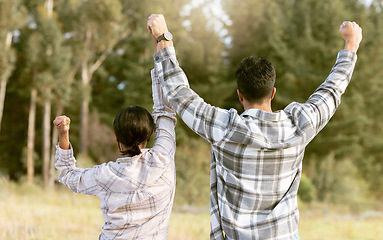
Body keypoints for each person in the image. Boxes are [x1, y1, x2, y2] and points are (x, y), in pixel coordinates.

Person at [147, 14, 362, 240]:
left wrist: (164, 38)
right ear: (272, 93)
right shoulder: (299, 126)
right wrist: (351, 44)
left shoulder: (226, 129)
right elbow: (331, 91)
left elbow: (180, 94)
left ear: (240, 96)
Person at [53, 53, 177, 239]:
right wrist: (159, 40)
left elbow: (67, 174)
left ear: (117, 138)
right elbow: (165, 109)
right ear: (150, 134)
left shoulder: (105, 175)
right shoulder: (163, 159)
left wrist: (63, 134)